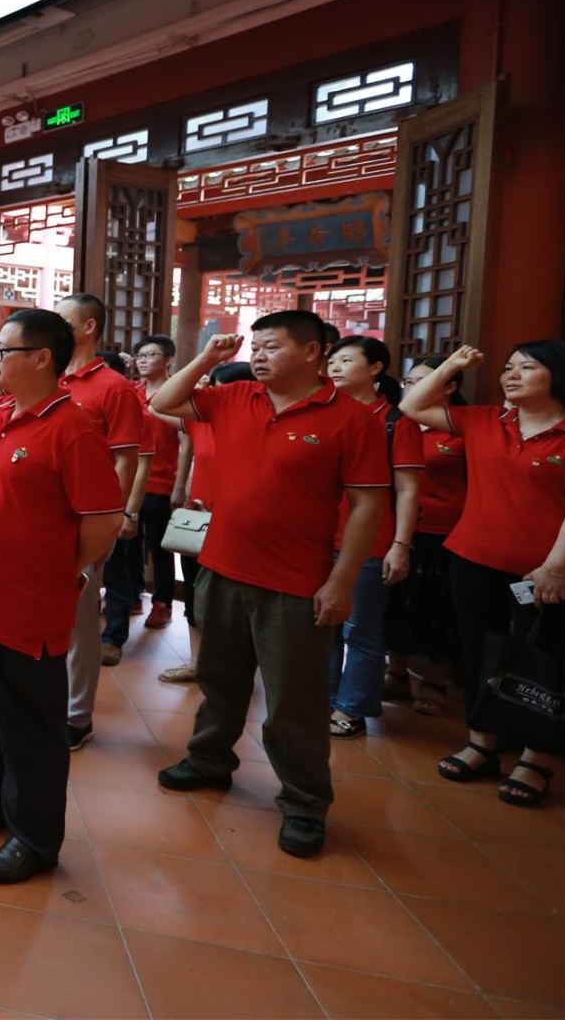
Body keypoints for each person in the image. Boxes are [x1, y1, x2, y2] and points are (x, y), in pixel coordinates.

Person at [152, 312, 389, 859]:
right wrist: (209, 357)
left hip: (295, 581)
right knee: (219, 679)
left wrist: (342, 580)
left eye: (272, 347)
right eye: (254, 347)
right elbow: (163, 401)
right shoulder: (235, 398)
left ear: (313, 352)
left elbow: (367, 505)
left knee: (293, 701)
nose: (258, 355)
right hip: (222, 567)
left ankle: (305, 802)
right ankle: (209, 761)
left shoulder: (351, 419)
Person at [0, 312, 125, 884]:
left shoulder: (73, 427)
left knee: (31, 729)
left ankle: (34, 838)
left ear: (41, 358)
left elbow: (104, 520)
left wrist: (63, 568)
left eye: (2, 349)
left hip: (27, 605)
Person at [402, 341, 565, 807]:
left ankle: (536, 758)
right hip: (472, 557)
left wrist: (557, 566)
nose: (510, 376)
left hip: (543, 569)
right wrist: (452, 365)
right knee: (478, 651)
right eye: (507, 368)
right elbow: (412, 405)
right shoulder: (484, 420)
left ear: (558, 375)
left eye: (527, 368)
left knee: (543, 660)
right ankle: (482, 742)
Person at [54, 294, 146, 749]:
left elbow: (125, 461)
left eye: (63, 319)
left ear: (89, 327)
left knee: (79, 621)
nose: (55, 325)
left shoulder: (113, 386)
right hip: (42, 516)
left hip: (84, 519)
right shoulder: (49, 377)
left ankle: (76, 715)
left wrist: (115, 519)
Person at [324, 336, 423, 740]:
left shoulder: (396, 421)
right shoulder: (326, 412)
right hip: (318, 535)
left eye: (346, 360)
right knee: (322, 625)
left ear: (376, 368)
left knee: (360, 629)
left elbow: (408, 490)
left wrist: (401, 545)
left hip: (369, 539)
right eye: (332, 360)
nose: (334, 367)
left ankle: (352, 707)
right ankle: (324, 698)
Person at [153, 359, 254, 683]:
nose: (216, 396)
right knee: (196, 590)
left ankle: (234, 665)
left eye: (222, 390)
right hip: (199, 518)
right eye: (213, 389)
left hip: (240, 521)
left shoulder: (257, 424)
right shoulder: (199, 421)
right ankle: (197, 663)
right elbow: (155, 405)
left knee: (236, 598)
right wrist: (195, 379)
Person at [385, 358, 468, 714]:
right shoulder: (398, 423)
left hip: (446, 530)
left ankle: (434, 679)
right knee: (396, 600)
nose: (412, 388)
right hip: (397, 527)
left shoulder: (463, 427)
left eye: (422, 381)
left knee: (439, 605)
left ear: (449, 386)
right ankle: (396, 671)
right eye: (409, 381)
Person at [122, 336, 180, 630]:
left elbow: (187, 441)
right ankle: (133, 594)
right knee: (129, 541)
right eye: (140, 356)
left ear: (168, 359)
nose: (143, 360)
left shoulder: (176, 393)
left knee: (160, 546)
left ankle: (163, 602)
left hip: (162, 479)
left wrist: (180, 485)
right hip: (131, 479)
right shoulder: (131, 391)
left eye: (151, 355)